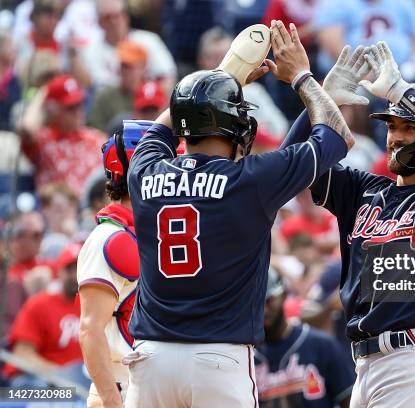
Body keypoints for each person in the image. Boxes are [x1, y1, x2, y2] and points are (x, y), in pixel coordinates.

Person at [123, 21, 355, 407]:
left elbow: (165, 125)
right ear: (234, 126)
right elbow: (337, 135)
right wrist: (302, 77)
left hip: (150, 358)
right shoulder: (249, 181)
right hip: (217, 360)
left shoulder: (144, 170)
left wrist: (219, 79)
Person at [281, 41, 415, 407]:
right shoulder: (363, 189)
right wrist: (320, 95)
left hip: (412, 357)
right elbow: (288, 166)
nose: (394, 136)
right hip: (364, 361)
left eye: (408, 127)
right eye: (392, 125)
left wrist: (400, 91)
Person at [77, 121, 150, 408]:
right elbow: (90, 329)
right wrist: (111, 401)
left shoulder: (152, 231)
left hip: (153, 386)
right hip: (121, 389)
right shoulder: (108, 238)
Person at [254, 268, 355, 407]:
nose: (264, 310)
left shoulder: (320, 345)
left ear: (283, 295)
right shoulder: (246, 356)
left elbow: (350, 401)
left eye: (268, 300)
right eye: (257, 304)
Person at [3, 243, 83, 387]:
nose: (74, 275)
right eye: (69, 268)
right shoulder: (39, 304)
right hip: (42, 382)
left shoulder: (98, 307)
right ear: (59, 272)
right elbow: (23, 354)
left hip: (83, 386)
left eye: (79, 268)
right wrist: (60, 375)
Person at [18, 74, 105, 195]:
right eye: (70, 107)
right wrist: (44, 92)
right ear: (53, 108)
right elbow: (26, 128)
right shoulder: (43, 139)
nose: (78, 112)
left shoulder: (96, 138)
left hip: (94, 208)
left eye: (80, 104)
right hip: (57, 208)